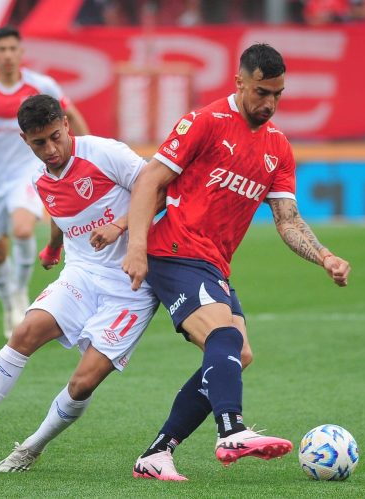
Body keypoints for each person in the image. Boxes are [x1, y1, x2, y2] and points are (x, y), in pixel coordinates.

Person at [123, 43, 351, 481]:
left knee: (237, 353)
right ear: (240, 82)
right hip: (175, 250)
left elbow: (287, 219)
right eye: (262, 92)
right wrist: (136, 246)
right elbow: (152, 177)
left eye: (277, 95)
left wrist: (324, 256)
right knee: (223, 336)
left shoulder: (278, 148)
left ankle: (157, 454)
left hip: (214, 264)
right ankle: (231, 429)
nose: (269, 103)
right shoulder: (205, 122)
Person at [0, 94, 157, 472]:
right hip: (81, 273)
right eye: (39, 143)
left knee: (83, 383)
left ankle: (31, 447)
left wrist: (120, 227)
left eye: (54, 137)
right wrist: (52, 246)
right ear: (24, 140)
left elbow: (157, 189)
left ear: (66, 124)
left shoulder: (104, 153)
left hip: (130, 287)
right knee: (25, 332)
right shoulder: (40, 177)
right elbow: (61, 211)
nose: (50, 149)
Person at [0, 26, 90, 339]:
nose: (8, 56)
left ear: (21, 52)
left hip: (25, 174)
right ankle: (9, 301)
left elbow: (72, 115)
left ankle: (19, 297)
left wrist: (85, 151)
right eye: (1, 50)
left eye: (13, 49)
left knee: (24, 228)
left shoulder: (40, 85)